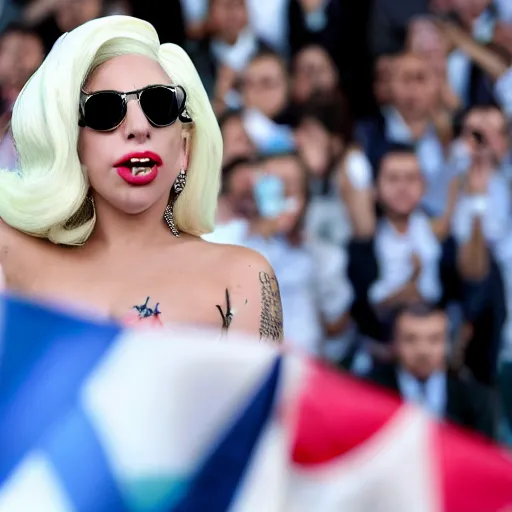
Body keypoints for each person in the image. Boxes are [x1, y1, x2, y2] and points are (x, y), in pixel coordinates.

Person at [0, 15, 283, 343]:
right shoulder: (11, 252)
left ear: (185, 149)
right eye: (105, 110)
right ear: (69, 145)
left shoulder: (243, 276)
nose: (138, 127)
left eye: (159, 105)